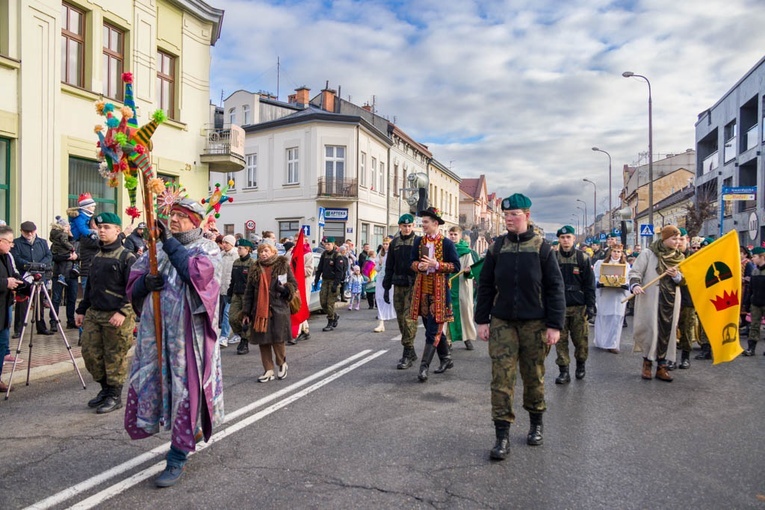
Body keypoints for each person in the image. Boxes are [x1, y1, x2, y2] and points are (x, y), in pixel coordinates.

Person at [126, 198, 223, 488]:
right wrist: (145, 284)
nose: (175, 219)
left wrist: (168, 242)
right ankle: (180, 431)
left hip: (187, 341)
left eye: (181, 216)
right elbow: (134, 279)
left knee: (185, 390)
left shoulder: (208, 248)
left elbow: (197, 275)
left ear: (196, 221)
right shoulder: (157, 251)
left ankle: (177, 456)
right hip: (156, 338)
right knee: (158, 386)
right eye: (173, 215)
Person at [475, 193, 565, 460]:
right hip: (503, 321)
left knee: (533, 376)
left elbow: (555, 288)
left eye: (514, 215)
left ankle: (536, 423)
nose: (509, 219)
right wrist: (482, 320)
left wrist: (554, 325)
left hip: (535, 324)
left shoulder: (542, 247)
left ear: (526, 215)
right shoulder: (497, 247)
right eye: (506, 215)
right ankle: (502, 435)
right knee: (501, 378)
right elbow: (486, 285)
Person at [74, 212, 136, 414]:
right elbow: (91, 286)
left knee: (114, 356)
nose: (101, 230)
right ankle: (105, 389)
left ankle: (115, 395)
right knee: (90, 354)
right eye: (99, 227)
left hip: (116, 316)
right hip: (95, 313)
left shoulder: (127, 257)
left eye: (107, 227)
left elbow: (133, 289)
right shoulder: (97, 257)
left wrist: (123, 312)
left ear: (118, 230)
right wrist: (82, 309)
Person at [408, 207, 460, 382]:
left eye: (425, 222)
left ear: (435, 223)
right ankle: (446, 358)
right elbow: (412, 262)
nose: (422, 225)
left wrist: (437, 264)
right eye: (422, 222)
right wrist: (419, 266)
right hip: (423, 292)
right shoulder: (419, 242)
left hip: (439, 294)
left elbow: (455, 266)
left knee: (432, 332)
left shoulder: (447, 243)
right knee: (433, 329)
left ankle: (423, 368)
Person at [629, 225, 685, 382]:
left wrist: (677, 276)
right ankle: (647, 363)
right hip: (652, 299)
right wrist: (635, 285)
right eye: (673, 238)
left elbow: (685, 280)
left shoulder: (680, 257)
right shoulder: (649, 253)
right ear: (665, 238)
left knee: (668, 332)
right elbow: (635, 272)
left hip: (671, 300)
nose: (677, 241)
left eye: (679, 238)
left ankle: (662, 366)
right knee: (650, 330)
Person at [242, 242, 298, 382]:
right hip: (260, 310)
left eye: (266, 251)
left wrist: (285, 290)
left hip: (278, 308)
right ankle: (268, 370)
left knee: (278, 339)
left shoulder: (282, 265)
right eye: (261, 251)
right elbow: (249, 292)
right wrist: (246, 312)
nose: (263, 254)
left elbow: (293, 283)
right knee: (263, 341)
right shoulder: (255, 268)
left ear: (273, 252)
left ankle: (282, 364)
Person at [553, 225, 596, 383]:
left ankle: (580, 365)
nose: (565, 240)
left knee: (580, 340)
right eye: (563, 238)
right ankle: (564, 371)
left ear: (574, 239)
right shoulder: (553, 257)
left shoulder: (582, 258)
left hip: (578, 306)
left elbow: (589, 284)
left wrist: (591, 306)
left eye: (568, 237)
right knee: (560, 340)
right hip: (559, 307)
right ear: (559, 239)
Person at [383, 214, 420, 369]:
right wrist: (386, 287)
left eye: (409, 226)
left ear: (413, 226)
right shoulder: (395, 243)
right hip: (398, 284)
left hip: (413, 285)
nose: (407, 228)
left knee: (408, 318)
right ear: (400, 227)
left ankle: (407, 351)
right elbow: (389, 265)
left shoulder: (418, 242)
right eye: (404, 226)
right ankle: (410, 350)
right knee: (400, 318)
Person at [10, 221, 54, 337]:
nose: (29, 234)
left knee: (39, 302)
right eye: (26, 232)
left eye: (32, 232)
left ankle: (41, 327)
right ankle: (18, 329)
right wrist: (29, 265)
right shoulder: (17, 243)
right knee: (22, 303)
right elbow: (16, 258)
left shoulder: (42, 242)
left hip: (39, 276)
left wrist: (40, 265)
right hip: (25, 277)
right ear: (21, 231)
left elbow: (49, 256)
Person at [593, 243, 630, 353]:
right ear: (610, 252)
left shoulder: (626, 265)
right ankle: (601, 341)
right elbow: (595, 277)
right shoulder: (601, 263)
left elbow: (628, 278)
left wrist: (625, 284)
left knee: (616, 318)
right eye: (614, 251)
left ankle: (613, 344)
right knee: (603, 317)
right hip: (605, 294)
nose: (616, 254)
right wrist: (599, 283)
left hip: (618, 295)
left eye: (619, 252)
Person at [446, 226, 479, 350]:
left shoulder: (466, 252)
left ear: (460, 236)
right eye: (451, 234)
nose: (453, 237)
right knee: (447, 313)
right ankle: (448, 340)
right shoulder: (445, 249)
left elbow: (471, 272)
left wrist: (467, 271)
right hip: (448, 285)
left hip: (462, 286)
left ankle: (466, 338)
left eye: (455, 234)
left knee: (465, 312)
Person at [0, 225, 23, 392]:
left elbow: (13, 274)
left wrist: (22, 283)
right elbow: (5, 280)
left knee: (2, 345)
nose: (11, 245)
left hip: (5, 307)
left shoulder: (7, 256)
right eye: (9, 242)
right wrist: (5, 283)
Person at [49, 216, 79, 329]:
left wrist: (76, 256)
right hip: (59, 274)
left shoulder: (74, 243)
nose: (69, 228)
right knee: (56, 298)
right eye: (67, 226)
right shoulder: (56, 244)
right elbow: (54, 257)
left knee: (72, 298)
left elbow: (80, 256)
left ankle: (70, 321)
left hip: (72, 274)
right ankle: (53, 321)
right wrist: (68, 257)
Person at [674, 229, 696, 369]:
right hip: (671, 298)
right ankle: (669, 358)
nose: (679, 242)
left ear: (687, 239)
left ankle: (685, 357)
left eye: (682, 239)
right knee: (670, 329)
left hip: (688, 298)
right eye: (676, 239)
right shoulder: (671, 256)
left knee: (687, 329)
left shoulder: (693, 257)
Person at [229, 239, 255, 354]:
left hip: (247, 294)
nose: (238, 250)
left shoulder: (252, 263)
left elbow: (254, 282)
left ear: (247, 249)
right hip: (236, 293)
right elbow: (233, 280)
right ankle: (241, 335)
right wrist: (229, 293)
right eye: (238, 248)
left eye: (240, 248)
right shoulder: (236, 262)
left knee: (246, 320)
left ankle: (244, 342)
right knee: (232, 318)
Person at [314, 237, 345, 332]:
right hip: (325, 281)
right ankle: (334, 315)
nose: (327, 246)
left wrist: (336, 284)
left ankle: (330, 322)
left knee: (329, 303)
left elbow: (339, 272)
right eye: (326, 244)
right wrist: (316, 280)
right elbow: (319, 268)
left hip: (333, 281)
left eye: (329, 244)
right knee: (323, 303)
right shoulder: (324, 254)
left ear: (333, 244)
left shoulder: (337, 256)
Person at [289, 237, 314, 344]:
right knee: (296, 307)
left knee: (301, 306)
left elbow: (309, 270)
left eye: (298, 240)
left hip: (303, 284)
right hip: (293, 283)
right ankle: (305, 330)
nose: (296, 242)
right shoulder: (291, 253)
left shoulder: (308, 254)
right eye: (294, 240)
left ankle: (296, 333)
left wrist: (297, 268)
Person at [744, 247, 765, 356]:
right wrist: (747, 303)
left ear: (762, 257)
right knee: (754, 326)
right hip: (756, 302)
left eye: (755, 257)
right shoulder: (755, 271)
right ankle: (751, 348)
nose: (752, 259)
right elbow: (750, 288)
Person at [373, 237, 396, 332]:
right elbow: (377, 269)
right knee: (379, 298)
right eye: (384, 244)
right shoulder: (380, 254)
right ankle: (381, 322)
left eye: (387, 244)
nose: (386, 245)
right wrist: (380, 264)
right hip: (381, 278)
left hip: (390, 279)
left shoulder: (393, 254)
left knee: (391, 299)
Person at [217, 235, 236, 348]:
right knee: (228, 312)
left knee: (227, 312)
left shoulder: (235, 256)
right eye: (223, 242)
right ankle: (238, 333)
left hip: (232, 288)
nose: (224, 245)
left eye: (226, 243)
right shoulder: (221, 255)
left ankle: (224, 336)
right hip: (222, 288)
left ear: (232, 244)